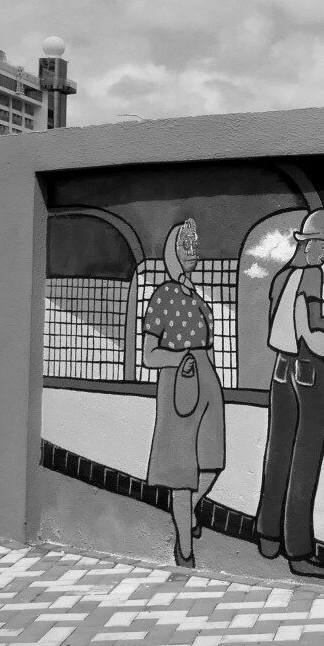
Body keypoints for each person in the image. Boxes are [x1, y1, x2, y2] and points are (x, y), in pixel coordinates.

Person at [254, 208, 324, 579]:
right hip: (308, 370)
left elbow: (278, 319)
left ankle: (268, 536)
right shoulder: (311, 275)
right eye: (323, 245)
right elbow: (312, 330)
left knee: (277, 452)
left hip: (280, 370)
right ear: (307, 245)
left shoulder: (280, 278)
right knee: (305, 460)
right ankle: (299, 551)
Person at [140, 219, 223, 567]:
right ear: (172, 252)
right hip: (179, 381)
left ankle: (187, 513)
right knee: (180, 475)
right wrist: (180, 358)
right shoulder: (163, 296)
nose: (193, 252)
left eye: (194, 245)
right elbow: (148, 355)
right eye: (185, 246)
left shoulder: (195, 294)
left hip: (207, 379)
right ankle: (185, 551)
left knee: (212, 463)